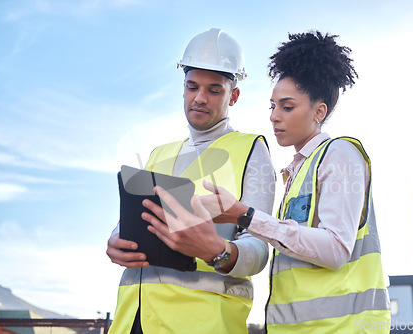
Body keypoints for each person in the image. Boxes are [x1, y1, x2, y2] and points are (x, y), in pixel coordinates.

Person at [148, 31, 391, 333]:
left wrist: (246, 216)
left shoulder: (339, 153)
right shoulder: (297, 173)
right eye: (272, 106)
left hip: (342, 327)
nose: (275, 117)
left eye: (287, 107)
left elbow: (335, 249)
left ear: (319, 111)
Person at [106, 28, 276, 334]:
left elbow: (261, 247)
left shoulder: (252, 150)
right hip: (133, 320)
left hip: (201, 323)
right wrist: (116, 240)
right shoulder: (159, 154)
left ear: (233, 96)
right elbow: (134, 220)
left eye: (214, 90)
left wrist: (219, 251)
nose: (199, 98)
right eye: (192, 86)